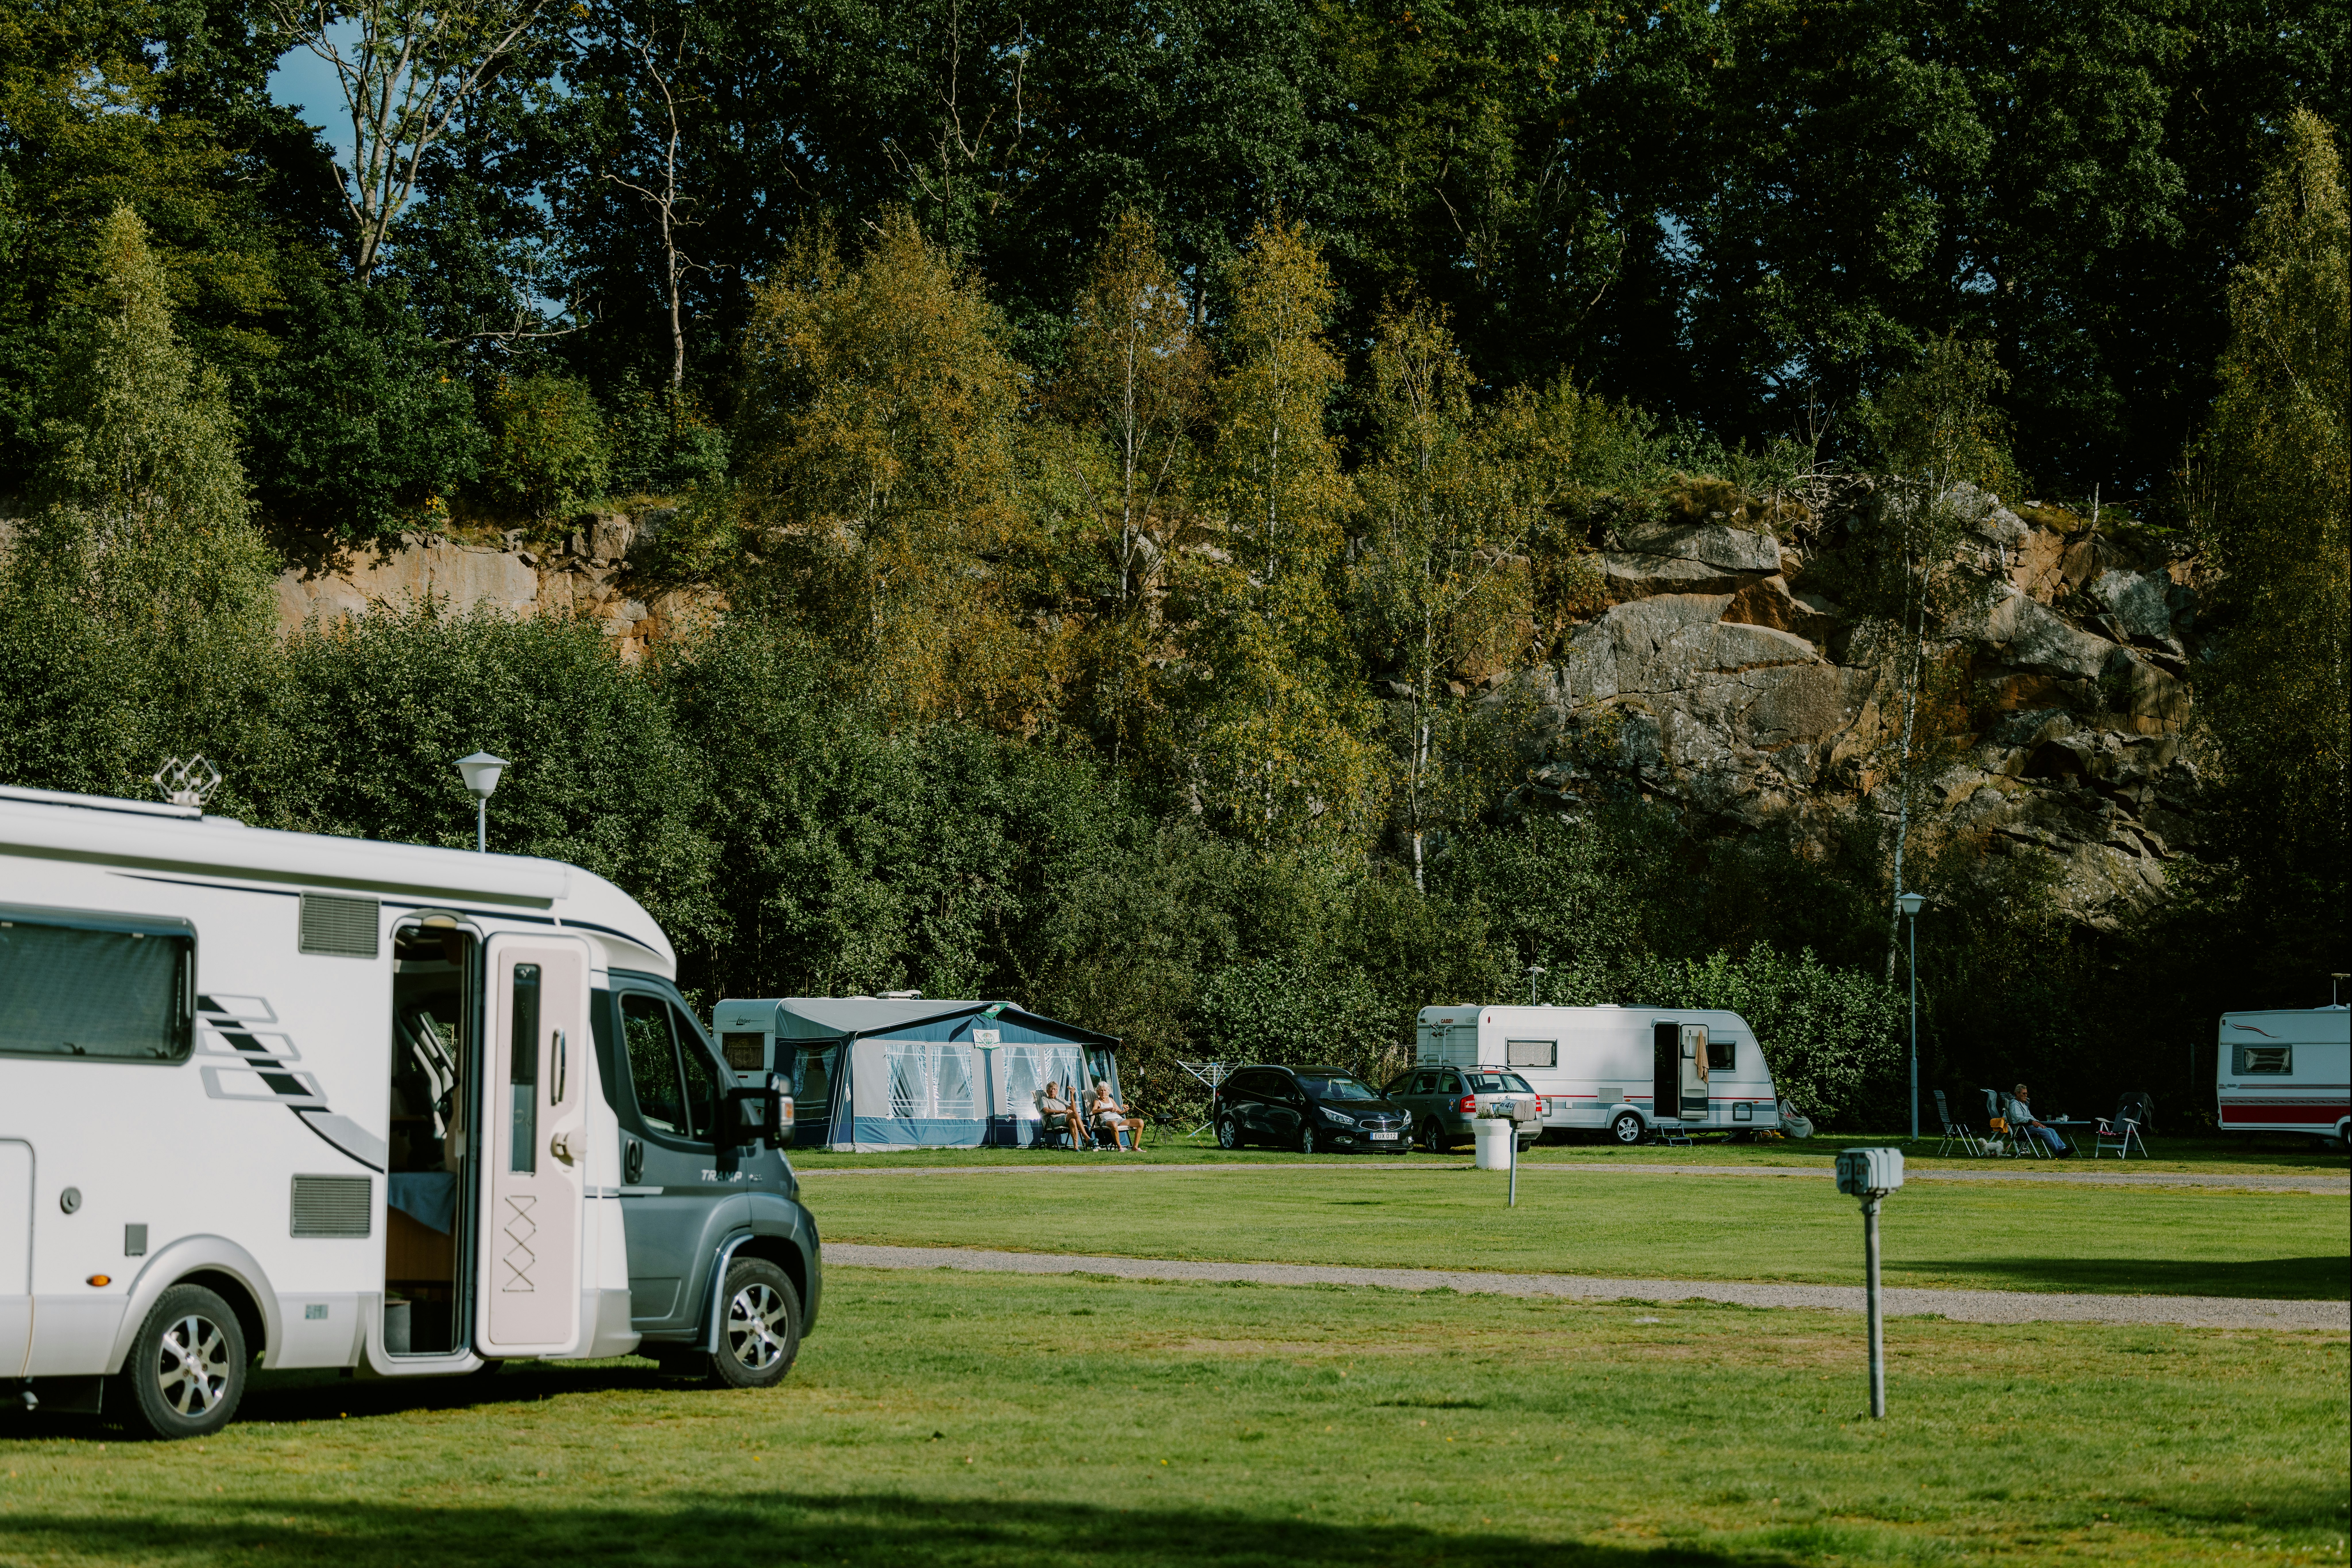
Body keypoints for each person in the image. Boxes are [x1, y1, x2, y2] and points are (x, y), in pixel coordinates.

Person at [2009, 1083, 2071, 1157]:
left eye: (2027, 1093)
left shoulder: (2023, 1104)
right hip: (2021, 1129)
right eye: (2024, 1093)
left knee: (2052, 1130)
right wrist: (2032, 1122)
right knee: (2046, 1133)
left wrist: (2038, 1123)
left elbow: (2030, 1116)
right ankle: (2059, 1153)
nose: (2026, 1095)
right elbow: (2019, 1118)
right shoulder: (2015, 1105)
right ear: (2017, 1094)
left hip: (2028, 1127)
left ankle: (2063, 1148)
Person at [1090, 1080, 1143, 1151]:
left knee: (1140, 1122)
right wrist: (1107, 1109)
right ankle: (1120, 1148)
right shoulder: (1097, 1101)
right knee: (1114, 1124)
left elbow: (1120, 1112)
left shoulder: (1111, 1099)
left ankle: (1135, 1148)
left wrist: (1125, 1110)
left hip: (1119, 1120)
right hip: (1108, 1121)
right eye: (1101, 1090)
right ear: (1098, 1091)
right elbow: (1094, 1111)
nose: (1103, 1092)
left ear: (1107, 1091)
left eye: (1105, 1090)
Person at [1038, 1081, 1084, 1148]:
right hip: (1053, 1122)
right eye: (1050, 1089)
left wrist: (1072, 1096)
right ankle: (1087, 1138)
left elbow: (1073, 1111)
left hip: (1064, 1120)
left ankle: (1076, 1148)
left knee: (1073, 1121)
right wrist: (1063, 1111)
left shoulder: (1061, 1099)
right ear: (1047, 1090)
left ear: (1057, 1091)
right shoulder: (1045, 1099)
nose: (1052, 1091)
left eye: (1055, 1089)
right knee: (1075, 1114)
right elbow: (1046, 1111)